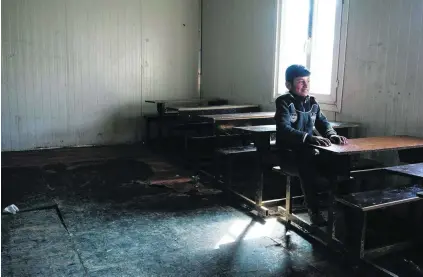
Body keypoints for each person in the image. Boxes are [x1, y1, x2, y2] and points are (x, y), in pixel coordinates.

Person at [274, 64, 348, 226]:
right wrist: (309, 138)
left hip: (308, 152)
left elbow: (323, 123)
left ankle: (341, 206)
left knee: (339, 161)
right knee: (307, 166)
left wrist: (332, 135)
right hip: (288, 155)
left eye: (308, 81)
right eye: (301, 81)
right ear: (289, 85)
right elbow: (284, 129)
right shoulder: (283, 102)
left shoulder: (312, 102)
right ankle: (314, 211)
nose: (306, 85)